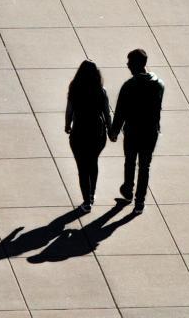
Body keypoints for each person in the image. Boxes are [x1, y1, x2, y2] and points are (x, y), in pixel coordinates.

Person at [110, 49, 164, 213]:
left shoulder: (129, 86)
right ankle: (139, 202)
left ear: (136, 64)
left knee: (130, 161)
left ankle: (128, 191)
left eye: (129, 62)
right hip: (150, 132)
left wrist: (114, 131)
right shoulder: (159, 84)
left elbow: (120, 112)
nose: (127, 65)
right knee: (144, 166)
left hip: (133, 131)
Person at [64, 61, 111, 212]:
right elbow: (107, 113)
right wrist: (110, 130)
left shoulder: (75, 88)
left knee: (82, 167)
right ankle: (91, 194)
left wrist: (67, 124)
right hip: (97, 132)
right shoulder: (101, 90)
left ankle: (86, 201)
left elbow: (69, 109)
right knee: (93, 163)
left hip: (79, 132)